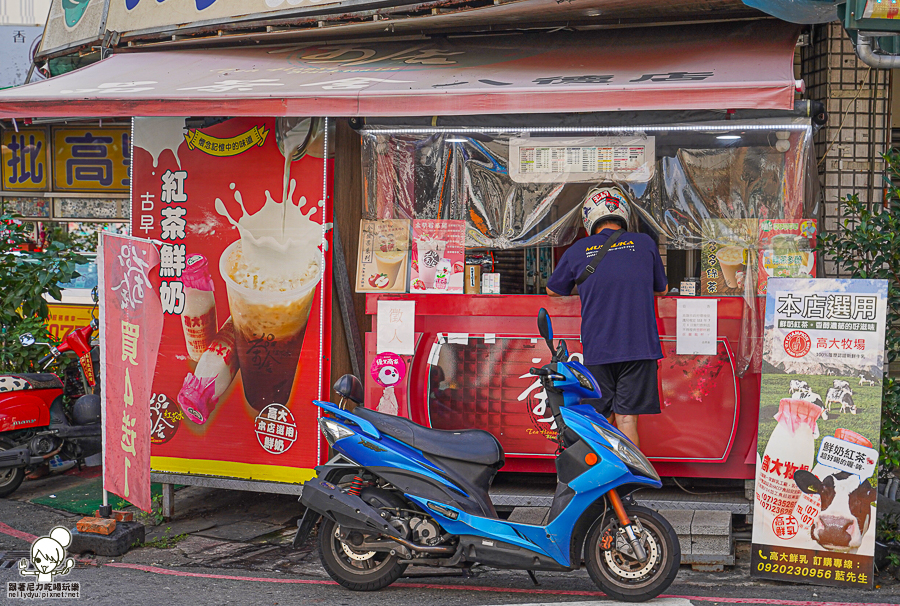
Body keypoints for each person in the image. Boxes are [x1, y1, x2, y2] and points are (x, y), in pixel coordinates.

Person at [545, 183, 668, 448]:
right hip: (640, 348)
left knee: (598, 420)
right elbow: (663, 289)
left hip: (599, 348)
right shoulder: (645, 243)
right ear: (623, 214)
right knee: (627, 421)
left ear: (589, 217)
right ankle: (627, 487)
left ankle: (602, 482)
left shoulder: (578, 250)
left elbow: (553, 291)